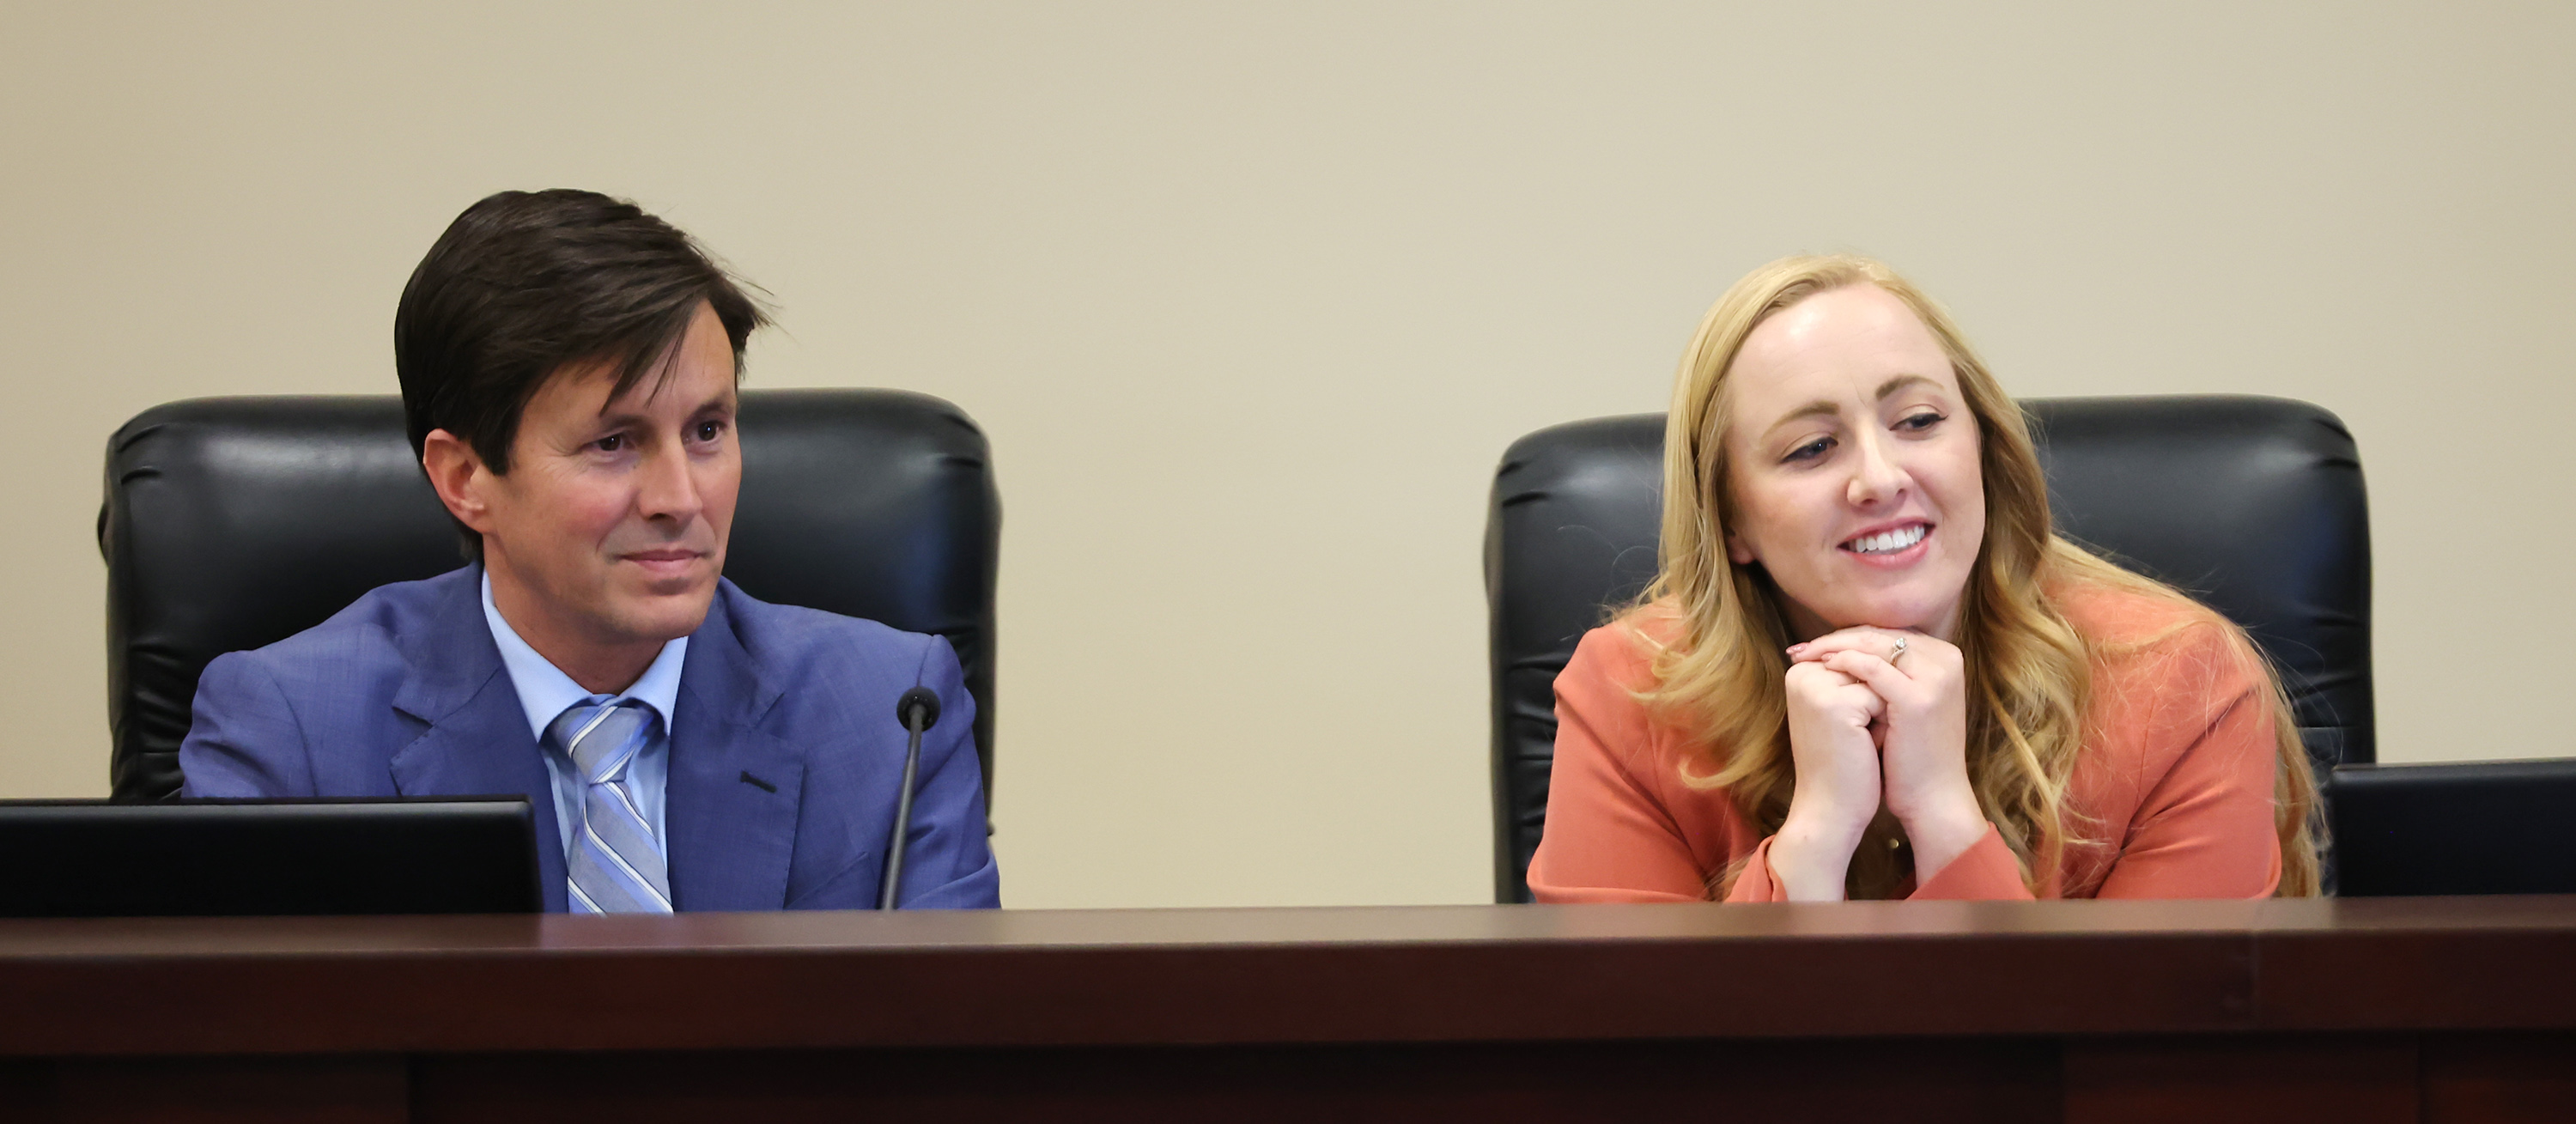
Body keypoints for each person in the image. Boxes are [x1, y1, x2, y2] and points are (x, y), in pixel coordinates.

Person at [179, 190, 999, 912]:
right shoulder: (291, 735)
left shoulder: (892, 715)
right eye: (614, 442)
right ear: (465, 477)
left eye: (708, 430)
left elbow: (949, 1062)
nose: (681, 498)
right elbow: (233, 1066)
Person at [1527, 254, 2320, 903]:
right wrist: (1811, 845)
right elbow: (1634, 1069)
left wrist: (1945, 816)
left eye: (1918, 421)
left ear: (1985, 447)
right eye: (1811, 448)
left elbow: (2144, 1069)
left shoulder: (2183, 686)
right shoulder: (1628, 694)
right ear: (1731, 521)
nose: (1879, 478)